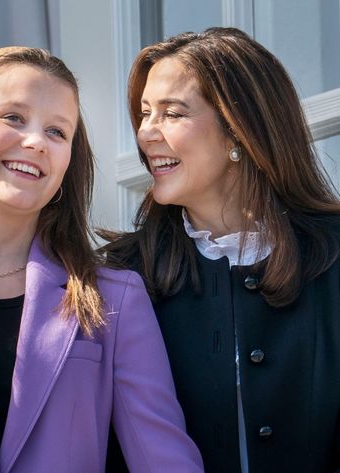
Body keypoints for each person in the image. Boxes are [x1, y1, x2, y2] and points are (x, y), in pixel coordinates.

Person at [0, 47, 204, 472]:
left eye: (57, 132)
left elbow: (164, 461)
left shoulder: (116, 301)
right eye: (13, 118)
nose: (35, 142)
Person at [103, 27, 340, 473]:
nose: (145, 132)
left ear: (239, 131)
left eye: (172, 113)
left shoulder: (335, 253)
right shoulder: (122, 278)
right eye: (144, 113)